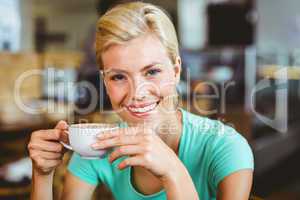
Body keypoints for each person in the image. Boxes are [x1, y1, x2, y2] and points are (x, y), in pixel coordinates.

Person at [28, 2, 254, 200]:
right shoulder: (96, 148)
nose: (137, 93)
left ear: (176, 71)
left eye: (152, 72)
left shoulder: (226, 147)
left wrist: (173, 172)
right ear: (105, 82)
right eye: (118, 77)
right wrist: (42, 176)